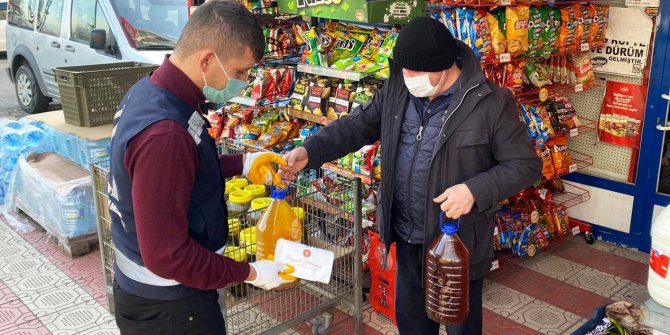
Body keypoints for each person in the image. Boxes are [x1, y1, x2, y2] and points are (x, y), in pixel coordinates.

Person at [279, 17, 542, 335]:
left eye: (416, 71)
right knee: (412, 324)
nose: (408, 77)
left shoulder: (491, 103)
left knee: (461, 327)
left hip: (457, 244)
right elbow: (356, 126)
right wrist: (309, 152)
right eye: (404, 70)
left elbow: (525, 165)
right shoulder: (396, 91)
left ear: (443, 66)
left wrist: (474, 190)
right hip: (406, 239)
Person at [108, 2, 291, 334]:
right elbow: (167, 256)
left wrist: (243, 163)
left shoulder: (152, 92)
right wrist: (249, 273)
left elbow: (181, 171)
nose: (245, 82)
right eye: (239, 71)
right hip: (172, 308)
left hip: (159, 296)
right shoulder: (165, 133)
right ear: (207, 59)